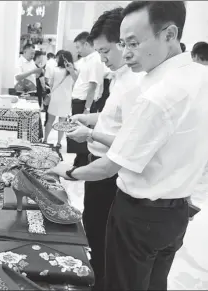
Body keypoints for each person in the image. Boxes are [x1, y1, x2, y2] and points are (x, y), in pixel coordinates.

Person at [48, 2, 208, 290]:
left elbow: (110, 166)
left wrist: (67, 172)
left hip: (140, 215)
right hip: (176, 211)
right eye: (123, 43)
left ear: (169, 35)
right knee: (155, 282)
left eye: (133, 43)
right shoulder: (198, 76)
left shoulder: (159, 94)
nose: (127, 52)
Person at [59, 8, 145, 290]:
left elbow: (128, 141)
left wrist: (89, 135)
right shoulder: (120, 78)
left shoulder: (135, 83)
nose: (103, 57)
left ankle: (97, 282)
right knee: (94, 230)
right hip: (101, 168)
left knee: (100, 237)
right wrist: (88, 120)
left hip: (110, 173)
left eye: (106, 50)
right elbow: (114, 120)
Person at [68, 31, 107, 167]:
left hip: (85, 101)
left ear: (86, 44)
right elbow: (80, 81)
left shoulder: (95, 59)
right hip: (78, 99)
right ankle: (79, 161)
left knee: (82, 135)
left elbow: (92, 85)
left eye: (78, 47)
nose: (77, 51)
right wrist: (72, 71)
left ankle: (82, 163)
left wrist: (87, 108)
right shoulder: (86, 60)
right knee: (75, 133)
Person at [43, 50, 74, 148]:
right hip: (66, 99)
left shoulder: (55, 70)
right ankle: (59, 143)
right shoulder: (72, 71)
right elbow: (75, 83)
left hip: (55, 98)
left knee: (49, 121)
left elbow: (51, 84)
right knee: (62, 122)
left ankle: (45, 140)